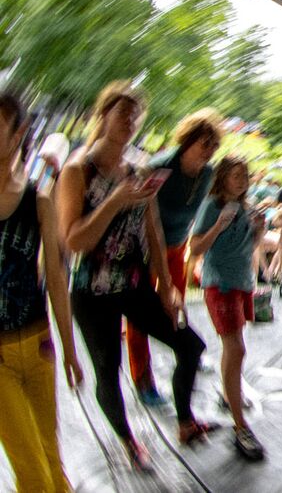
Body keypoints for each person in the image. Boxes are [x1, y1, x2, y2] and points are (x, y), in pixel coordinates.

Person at [56, 82, 212, 471]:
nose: (130, 120)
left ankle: (185, 421)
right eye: (123, 112)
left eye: (136, 115)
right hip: (91, 291)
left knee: (190, 347)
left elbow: (154, 230)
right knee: (108, 371)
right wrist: (114, 201)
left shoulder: (139, 169)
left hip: (135, 283)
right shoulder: (78, 171)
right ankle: (128, 441)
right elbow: (73, 241)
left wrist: (167, 285)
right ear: (102, 115)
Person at [0, 93, 83, 492]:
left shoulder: (39, 200)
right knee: (32, 469)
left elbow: (55, 278)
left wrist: (68, 348)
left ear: (17, 135)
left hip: (37, 345)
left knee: (51, 460)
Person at [127, 108, 221, 406]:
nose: (209, 151)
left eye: (214, 145)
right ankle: (142, 378)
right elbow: (139, 213)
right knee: (142, 316)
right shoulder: (160, 167)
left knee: (177, 304)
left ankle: (186, 352)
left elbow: (205, 208)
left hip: (178, 248)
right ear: (188, 141)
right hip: (145, 251)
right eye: (204, 144)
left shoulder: (207, 173)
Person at [189, 156, 266, 461]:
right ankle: (240, 426)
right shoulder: (213, 206)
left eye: (245, 175)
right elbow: (194, 249)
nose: (242, 180)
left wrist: (258, 230)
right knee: (236, 349)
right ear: (222, 178)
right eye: (235, 175)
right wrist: (218, 227)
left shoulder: (245, 208)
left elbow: (250, 246)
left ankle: (229, 390)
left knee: (233, 350)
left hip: (241, 283)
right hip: (219, 284)